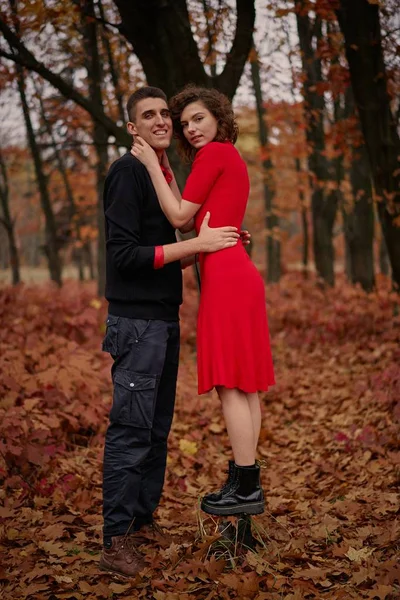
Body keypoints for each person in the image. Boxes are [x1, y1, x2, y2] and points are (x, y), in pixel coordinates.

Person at [100, 86, 244, 578]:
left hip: (162, 316)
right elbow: (124, 257)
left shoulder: (162, 173)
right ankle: (115, 539)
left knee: (157, 431)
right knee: (132, 431)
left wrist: (214, 244)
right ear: (134, 127)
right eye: (150, 115)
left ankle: (142, 522)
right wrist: (195, 246)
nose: (164, 121)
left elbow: (170, 241)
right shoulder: (127, 172)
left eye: (168, 114)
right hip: (136, 322)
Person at [131, 85, 275, 518]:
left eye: (199, 119)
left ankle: (246, 485)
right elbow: (197, 217)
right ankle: (245, 477)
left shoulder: (214, 153)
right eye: (185, 122)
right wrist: (168, 171)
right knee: (244, 384)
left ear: (218, 117)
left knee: (231, 383)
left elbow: (178, 218)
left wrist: (151, 164)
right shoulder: (225, 155)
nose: (191, 128)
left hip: (228, 279)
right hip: (236, 271)